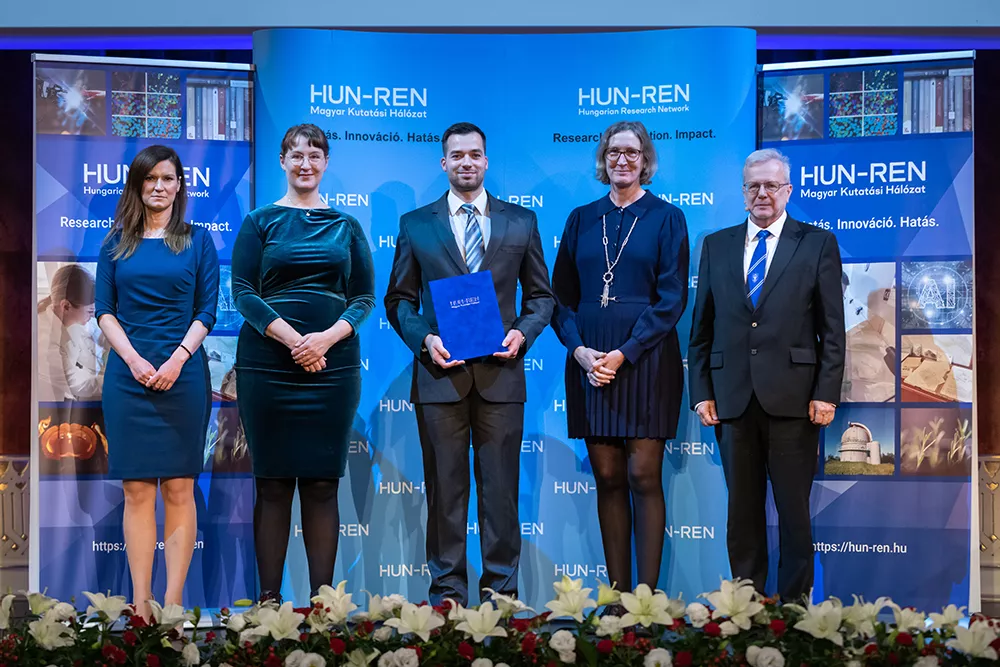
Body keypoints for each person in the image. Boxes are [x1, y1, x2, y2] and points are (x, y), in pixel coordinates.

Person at [384, 122, 554, 606]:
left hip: (501, 378)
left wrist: (523, 331)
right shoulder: (417, 224)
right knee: (445, 496)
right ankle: (447, 599)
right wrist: (425, 340)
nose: (466, 162)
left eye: (474, 155)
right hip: (441, 378)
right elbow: (399, 300)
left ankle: (501, 597)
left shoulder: (521, 222)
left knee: (501, 496)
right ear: (443, 162)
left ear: (486, 161)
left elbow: (541, 297)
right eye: (456, 155)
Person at [687, 148, 845, 601]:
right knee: (742, 515)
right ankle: (746, 607)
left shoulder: (816, 243)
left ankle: (794, 609)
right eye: (753, 186)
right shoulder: (716, 245)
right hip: (732, 401)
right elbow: (702, 329)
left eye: (771, 185)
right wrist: (701, 393)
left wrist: (826, 393)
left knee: (795, 514)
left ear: (787, 190)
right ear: (742, 193)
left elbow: (833, 329)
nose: (762, 193)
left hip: (796, 402)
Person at [232, 123, 375, 603]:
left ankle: (322, 606)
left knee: (320, 485)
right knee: (272, 485)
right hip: (267, 367)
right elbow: (243, 293)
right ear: (282, 161)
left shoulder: (347, 226)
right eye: (297, 155)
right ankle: (268, 603)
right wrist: (296, 340)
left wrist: (326, 340)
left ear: (326, 163)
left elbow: (363, 297)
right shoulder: (259, 221)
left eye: (315, 155)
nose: (306, 163)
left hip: (332, 370)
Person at [551, 120, 689, 600]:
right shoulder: (580, 219)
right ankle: (615, 597)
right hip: (591, 361)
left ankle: (645, 599)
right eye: (614, 152)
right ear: (603, 160)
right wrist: (580, 350)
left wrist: (625, 353)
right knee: (607, 476)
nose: (622, 160)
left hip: (645, 358)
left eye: (631, 152)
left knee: (642, 475)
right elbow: (560, 298)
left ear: (645, 160)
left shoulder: (667, 218)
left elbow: (672, 299)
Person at [96, 145, 219, 617]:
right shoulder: (115, 243)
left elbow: (206, 309)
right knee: (137, 491)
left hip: (183, 376)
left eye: (168, 178)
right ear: (138, 185)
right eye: (150, 179)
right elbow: (105, 311)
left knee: (180, 489)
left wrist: (175, 360)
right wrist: (132, 360)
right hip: (128, 379)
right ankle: (141, 603)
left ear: (179, 186)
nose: (159, 186)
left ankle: (172, 606)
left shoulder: (197, 241)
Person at [38, 264, 104, 401]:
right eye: (89, 311)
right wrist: (118, 381)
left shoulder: (70, 323)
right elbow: (79, 384)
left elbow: (89, 352)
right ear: (66, 306)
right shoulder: (44, 340)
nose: (92, 316)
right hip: (48, 406)